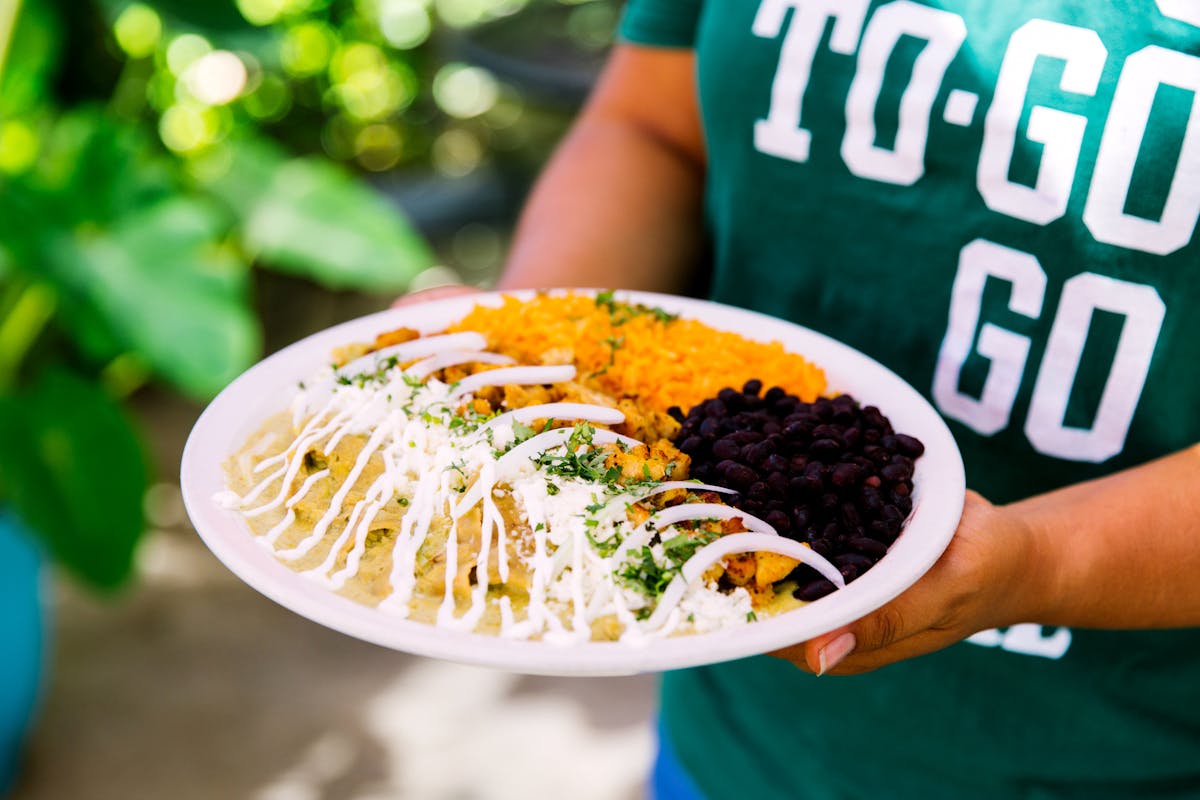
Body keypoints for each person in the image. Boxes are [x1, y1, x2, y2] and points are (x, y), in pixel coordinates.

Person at [407, 2, 1200, 796]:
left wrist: (1036, 560)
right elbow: (652, 127)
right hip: (731, 731)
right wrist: (531, 368)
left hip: (1110, 757)